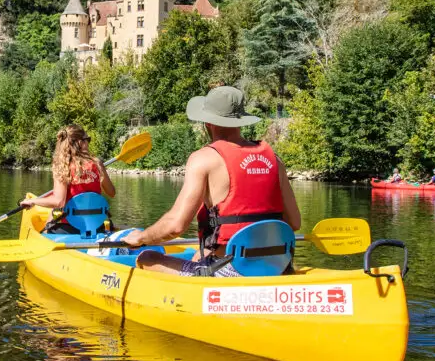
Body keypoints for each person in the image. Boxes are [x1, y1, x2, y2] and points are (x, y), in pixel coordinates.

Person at [121, 86, 301, 277]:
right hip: (279, 268)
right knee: (200, 254)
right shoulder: (274, 159)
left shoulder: (204, 159)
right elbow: (294, 222)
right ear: (241, 121)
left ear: (208, 122)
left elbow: (175, 226)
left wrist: (141, 237)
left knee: (147, 257)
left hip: (232, 272)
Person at [20, 124, 116, 232]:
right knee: (54, 210)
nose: (89, 143)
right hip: (96, 227)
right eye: (87, 139)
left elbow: (58, 202)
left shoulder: (62, 166)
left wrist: (33, 201)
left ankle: (45, 235)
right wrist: (93, 182)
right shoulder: (97, 163)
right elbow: (111, 192)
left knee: (49, 223)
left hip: (71, 229)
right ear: (80, 142)